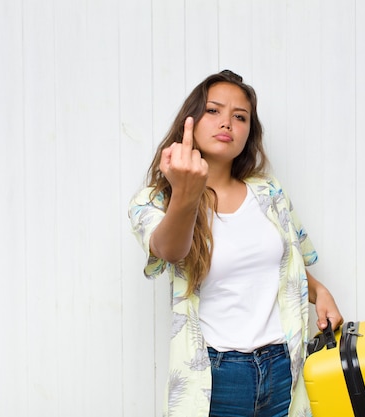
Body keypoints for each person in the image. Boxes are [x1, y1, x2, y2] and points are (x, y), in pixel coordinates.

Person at [129, 70, 343, 417]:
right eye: (213, 111)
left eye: (240, 117)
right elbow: (170, 251)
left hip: (283, 366)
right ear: (191, 121)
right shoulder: (155, 200)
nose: (226, 122)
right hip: (218, 375)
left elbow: (287, 264)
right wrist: (185, 191)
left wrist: (321, 293)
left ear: (249, 133)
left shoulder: (268, 191)